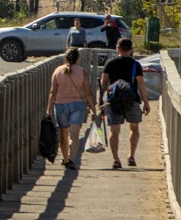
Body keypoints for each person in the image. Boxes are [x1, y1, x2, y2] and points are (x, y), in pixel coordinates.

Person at [100, 37, 149, 169]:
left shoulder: (110, 63)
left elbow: (103, 83)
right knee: (134, 127)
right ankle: (131, 156)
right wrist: (146, 102)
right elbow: (141, 83)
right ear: (131, 49)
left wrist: (100, 100)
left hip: (114, 101)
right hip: (131, 99)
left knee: (114, 130)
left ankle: (116, 159)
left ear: (118, 49)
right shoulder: (135, 64)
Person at [49, 47, 94, 169]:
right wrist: (94, 109)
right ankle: (72, 159)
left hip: (60, 105)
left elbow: (53, 92)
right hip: (78, 105)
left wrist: (48, 110)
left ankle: (65, 159)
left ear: (65, 57)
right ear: (78, 58)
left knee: (64, 135)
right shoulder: (82, 71)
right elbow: (88, 93)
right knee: (75, 135)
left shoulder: (58, 71)